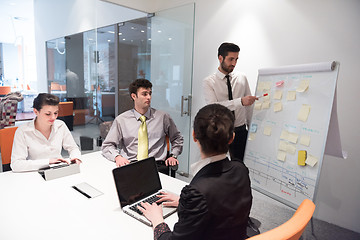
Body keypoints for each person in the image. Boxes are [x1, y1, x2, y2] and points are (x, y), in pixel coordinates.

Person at [139, 104, 252, 240]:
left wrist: (157, 220)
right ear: (232, 137)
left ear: (194, 135)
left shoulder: (197, 192)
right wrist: (185, 202)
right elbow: (222, 203)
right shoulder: (241, 170)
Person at [101, 78, 183, 173]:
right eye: (144, 94)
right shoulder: (121, 120)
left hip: (156, 166)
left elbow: (177, 138)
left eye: (150, 93)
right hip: (131, 164)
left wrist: (174, 155)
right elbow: (107, 145)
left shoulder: (163, 117)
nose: (149, 97)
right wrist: (117, 157)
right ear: (133, 96)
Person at [203, 42, 258, 162]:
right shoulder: (209, 82)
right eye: (231, 59)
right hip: (219, 132)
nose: (234, 63)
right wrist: (240, 102)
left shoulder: (241, 77)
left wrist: (251, 130)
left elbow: (249, 106)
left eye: (236, 59)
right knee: (218, 167)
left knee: (239, 167)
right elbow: (214, 108)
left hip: (240, 130)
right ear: (220, 58)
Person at [11, 93, 81, 172]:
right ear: (36, 111)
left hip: (59, 170)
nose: (53, 117)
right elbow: (16, 164)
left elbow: (73, 148)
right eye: (48, 114)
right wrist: (48, 162)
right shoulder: (23, 131)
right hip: (34, 173)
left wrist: (76, 157)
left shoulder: (60, 125)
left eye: (55, 113)